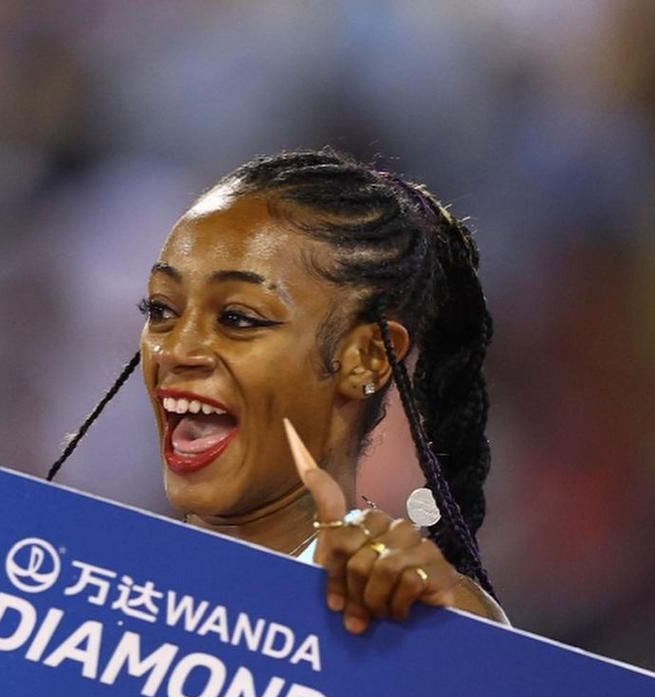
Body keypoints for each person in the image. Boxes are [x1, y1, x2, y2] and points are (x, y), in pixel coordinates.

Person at [48, 147, 506, 632]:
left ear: (366, 357)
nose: (176, 350)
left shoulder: (426, 619)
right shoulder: (70, 583)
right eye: (161, 310)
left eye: (237, 318)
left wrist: (429, 648)